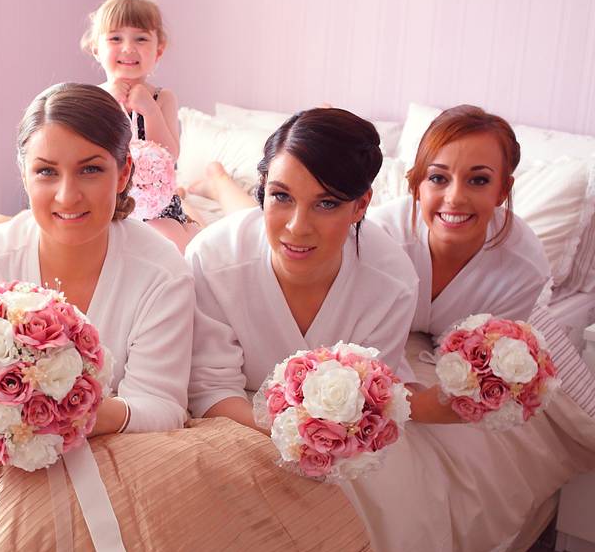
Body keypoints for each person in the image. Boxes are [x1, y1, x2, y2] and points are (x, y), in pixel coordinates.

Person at [0, 83, 194, 435]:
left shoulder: (164, 274)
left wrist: (62, 415)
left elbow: (161, 405)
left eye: (90, 170)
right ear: (24, 175)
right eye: (47, 172)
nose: (67, 196)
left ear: (124, 172)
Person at [187, 108, 421, 430]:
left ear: (361, 205)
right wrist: (295, 437)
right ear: (265, 188)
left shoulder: (393, 283)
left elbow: (368, 397)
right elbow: (210, 389)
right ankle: (218, 182)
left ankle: (220, 182)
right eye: (281, 195)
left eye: (326, 203)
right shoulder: (211, 260)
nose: (298, 227)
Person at [369, 105, 550, 339]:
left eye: (478, 180)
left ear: (503, 190)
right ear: (416, 186)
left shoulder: (524, 268)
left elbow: (489, 363)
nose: (455, 198)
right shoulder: (377, 239)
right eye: (437, 178)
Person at [82, 0, 198, 251]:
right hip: (108, 200)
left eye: (141, 38)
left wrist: (150, 111)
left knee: (174, 243)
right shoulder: (92, 99)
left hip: (156, 204)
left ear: (158, 50)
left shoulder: (162, 98)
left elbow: (170, 153)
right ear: (96, 48)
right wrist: (109, 105)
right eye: (115, 38)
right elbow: (86, 154)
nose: (128, 48)